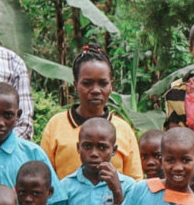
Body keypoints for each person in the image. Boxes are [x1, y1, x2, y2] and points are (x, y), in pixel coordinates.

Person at [42, 49, 142, 177]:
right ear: (76, 85)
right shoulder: (56, 125)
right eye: (87, 83)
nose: (95, 90)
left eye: (103, 83)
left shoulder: (123, 130)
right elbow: (44, 177)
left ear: (111, 86)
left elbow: (135, 183)